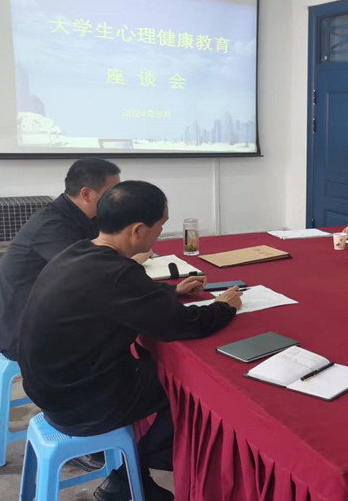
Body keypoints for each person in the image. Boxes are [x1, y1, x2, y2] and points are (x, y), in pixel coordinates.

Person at [18, 181, 243, 501]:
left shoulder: (78, 252)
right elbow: (181, 325)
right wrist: (224, 307)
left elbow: (123, 299)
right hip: (80, 404)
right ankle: (129, 475)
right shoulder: (117, 272)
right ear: (138, 230)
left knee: (154, 366)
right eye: (161, 226)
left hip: (48, 388)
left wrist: (169, 292)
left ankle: (131, 472)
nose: (161, 233)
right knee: (189, 386)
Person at [0, 158, 125, 362]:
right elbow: (92, 276)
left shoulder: (84, 216)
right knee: (121, 334)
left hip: (53, 314)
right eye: (111, 194)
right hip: (24, 333)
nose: (117, 200)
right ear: (86, 194)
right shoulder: (52, 226)